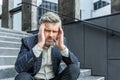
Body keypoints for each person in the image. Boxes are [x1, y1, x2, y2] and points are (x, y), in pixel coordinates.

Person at [15, 12, 80, 80]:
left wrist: (62, 47)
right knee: (21, 77)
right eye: (47, 30)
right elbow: (19, 68)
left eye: (54, 31)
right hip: (34, 78)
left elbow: (75, 65)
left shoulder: (61, 41)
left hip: (54, 78)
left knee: (74, 69)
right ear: (40, 29)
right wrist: (39, 45)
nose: (51, 35)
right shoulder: (27, 41)